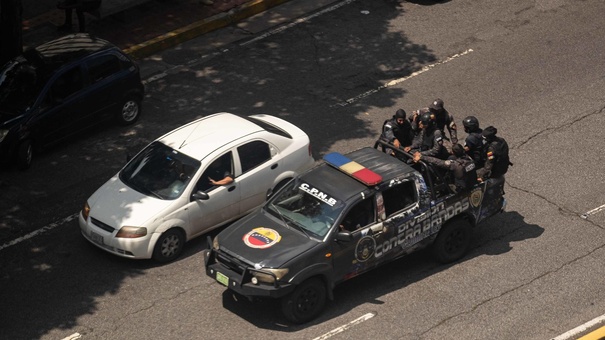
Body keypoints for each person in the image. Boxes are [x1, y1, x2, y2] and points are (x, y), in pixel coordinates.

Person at [413, 143, 478, 193]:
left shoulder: (455, 164)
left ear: (454, 153)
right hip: (472, 183)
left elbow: (438, 162)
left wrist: (422, 157)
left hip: (461, 189)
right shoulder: (469, 158)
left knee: (441, 186)